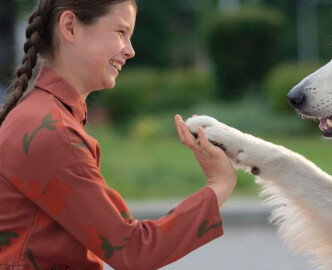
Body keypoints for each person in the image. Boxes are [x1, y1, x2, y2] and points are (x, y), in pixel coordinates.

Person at [0, 0, 237, 269]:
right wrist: (219, 185)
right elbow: (135, 250)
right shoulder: (52, 131)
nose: (130, 51)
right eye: (120, 33)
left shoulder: (42, 117)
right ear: (69, 27)